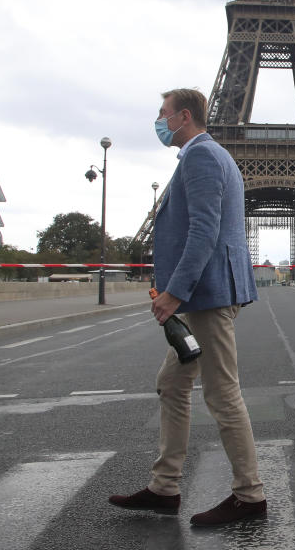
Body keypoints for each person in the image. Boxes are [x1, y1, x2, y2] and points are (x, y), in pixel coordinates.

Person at [109, 88, 266, 526]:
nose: (158, 121)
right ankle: (165, 487)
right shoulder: (210, 156)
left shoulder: (201, 157)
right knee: (173, 383)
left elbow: (204, 231)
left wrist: (174, 293)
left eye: (162, 113)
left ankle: (250, 495)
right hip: (208, 290)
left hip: (208, 294)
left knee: (222, 393)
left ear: (182, 116)